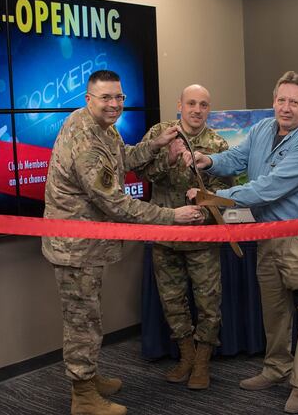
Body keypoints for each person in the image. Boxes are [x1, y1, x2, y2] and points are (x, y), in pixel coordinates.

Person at [41, 70, 203, 415]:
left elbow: (122, 160)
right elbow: (114, 201)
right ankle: (83, 396)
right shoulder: (86, 140)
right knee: (82, 322)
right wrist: (171, 216)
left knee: (90, 316)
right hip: (76, 249)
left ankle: (89, 377)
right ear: (88, 100)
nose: (114, 104)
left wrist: (154, 145)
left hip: (88, 245)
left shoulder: (101, 126)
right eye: (106, 98)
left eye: (119, 97)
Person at [185, 71, 298, 413]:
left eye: (294, 102)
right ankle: (276, 369)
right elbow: (236, 159)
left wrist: (213, 196)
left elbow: (267, 188)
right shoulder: (263, 128)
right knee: (275, 309)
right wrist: (209, 161)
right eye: (281, 100)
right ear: (273, 101)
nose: (286, 107)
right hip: (267, 236)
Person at [136, 84, 231, 390]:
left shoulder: (217, 144)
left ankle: (202, 362)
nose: (197, 110)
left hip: (202, 238)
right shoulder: (161, 134)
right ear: (180, 105)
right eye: (191, 103)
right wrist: (169, 158)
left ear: (209, 109)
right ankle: (186, 357)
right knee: (172, 301)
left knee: (208, 302)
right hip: (166, 234)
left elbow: (225, 194)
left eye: (203, 104)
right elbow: (139, 172)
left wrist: (203, 212)